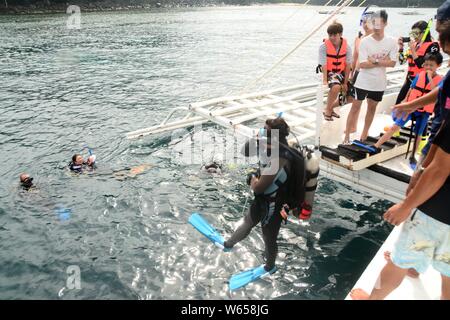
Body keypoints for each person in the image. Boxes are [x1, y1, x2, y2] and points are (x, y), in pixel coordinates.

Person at [223, 118, 303, 275]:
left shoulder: (280, 158)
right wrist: (256, 138)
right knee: (248, 221)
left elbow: (259, 188)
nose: (262, 132)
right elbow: (245, 152)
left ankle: (270, 266)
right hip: (264, 200)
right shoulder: (270, 146)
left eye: (265, 130)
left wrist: (253, 178)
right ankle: (228, 244)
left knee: (269, 237)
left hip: (276, 205)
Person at [373, 53, 443, 164]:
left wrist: (430, 78)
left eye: (431, 65)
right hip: (411, 106)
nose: (428, 68)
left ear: (438, 66)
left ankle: (413, 155)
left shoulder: (440, 80)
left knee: (418, 134)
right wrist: (405, 100)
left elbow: (435, 93)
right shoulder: (419, 75)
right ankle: (376, 145)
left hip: (424, 112)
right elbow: (411, 89)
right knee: (395, 127)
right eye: (427, 65)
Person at [344, 10, 398, 143]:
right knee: (355, 107)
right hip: (363, 81)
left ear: (385, 23)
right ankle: (346, 137)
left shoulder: (391, 42)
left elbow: (392, 63)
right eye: (374, 23)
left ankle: (364, 134)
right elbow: (362, 64)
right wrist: (382, 61)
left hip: (379, 83)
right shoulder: (365, 41)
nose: (376, 26)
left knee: (372, 108)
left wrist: (374, 61)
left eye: (379, 23)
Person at [396, 21, 440, 105]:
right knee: (398, 105)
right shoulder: (414, 45)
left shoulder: (433, 46)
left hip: (422, 82)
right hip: (409, 81)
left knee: (416, 111)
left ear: (424, 33)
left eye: (416, 33)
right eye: (412, 34)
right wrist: (401, 48)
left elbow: (421, 65)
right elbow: (402, 61)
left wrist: (412, 50)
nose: (414, 36)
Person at [318, 21, 353, 121]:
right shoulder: (323, 47)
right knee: (336, 87)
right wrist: (325, 80)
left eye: (335, 35)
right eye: (330, 35)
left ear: (340, 34)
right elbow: (323, 65)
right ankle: (328, 111)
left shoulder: (347, 47)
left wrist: (346, 83)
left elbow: (348, 65)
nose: (332, 37)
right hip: (329, 72)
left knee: (352, 96)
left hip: (342, 72)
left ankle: (329, 108)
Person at [347, 8, 374, 133]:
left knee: (370, 104)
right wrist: (351, 73)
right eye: (363, 21)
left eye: (367, 22)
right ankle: (352, 127)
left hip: (371, 74)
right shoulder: (359, 38)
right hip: (358, 73)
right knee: (355, 103)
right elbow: (354, 57)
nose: (365, 24)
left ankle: (365, 132)